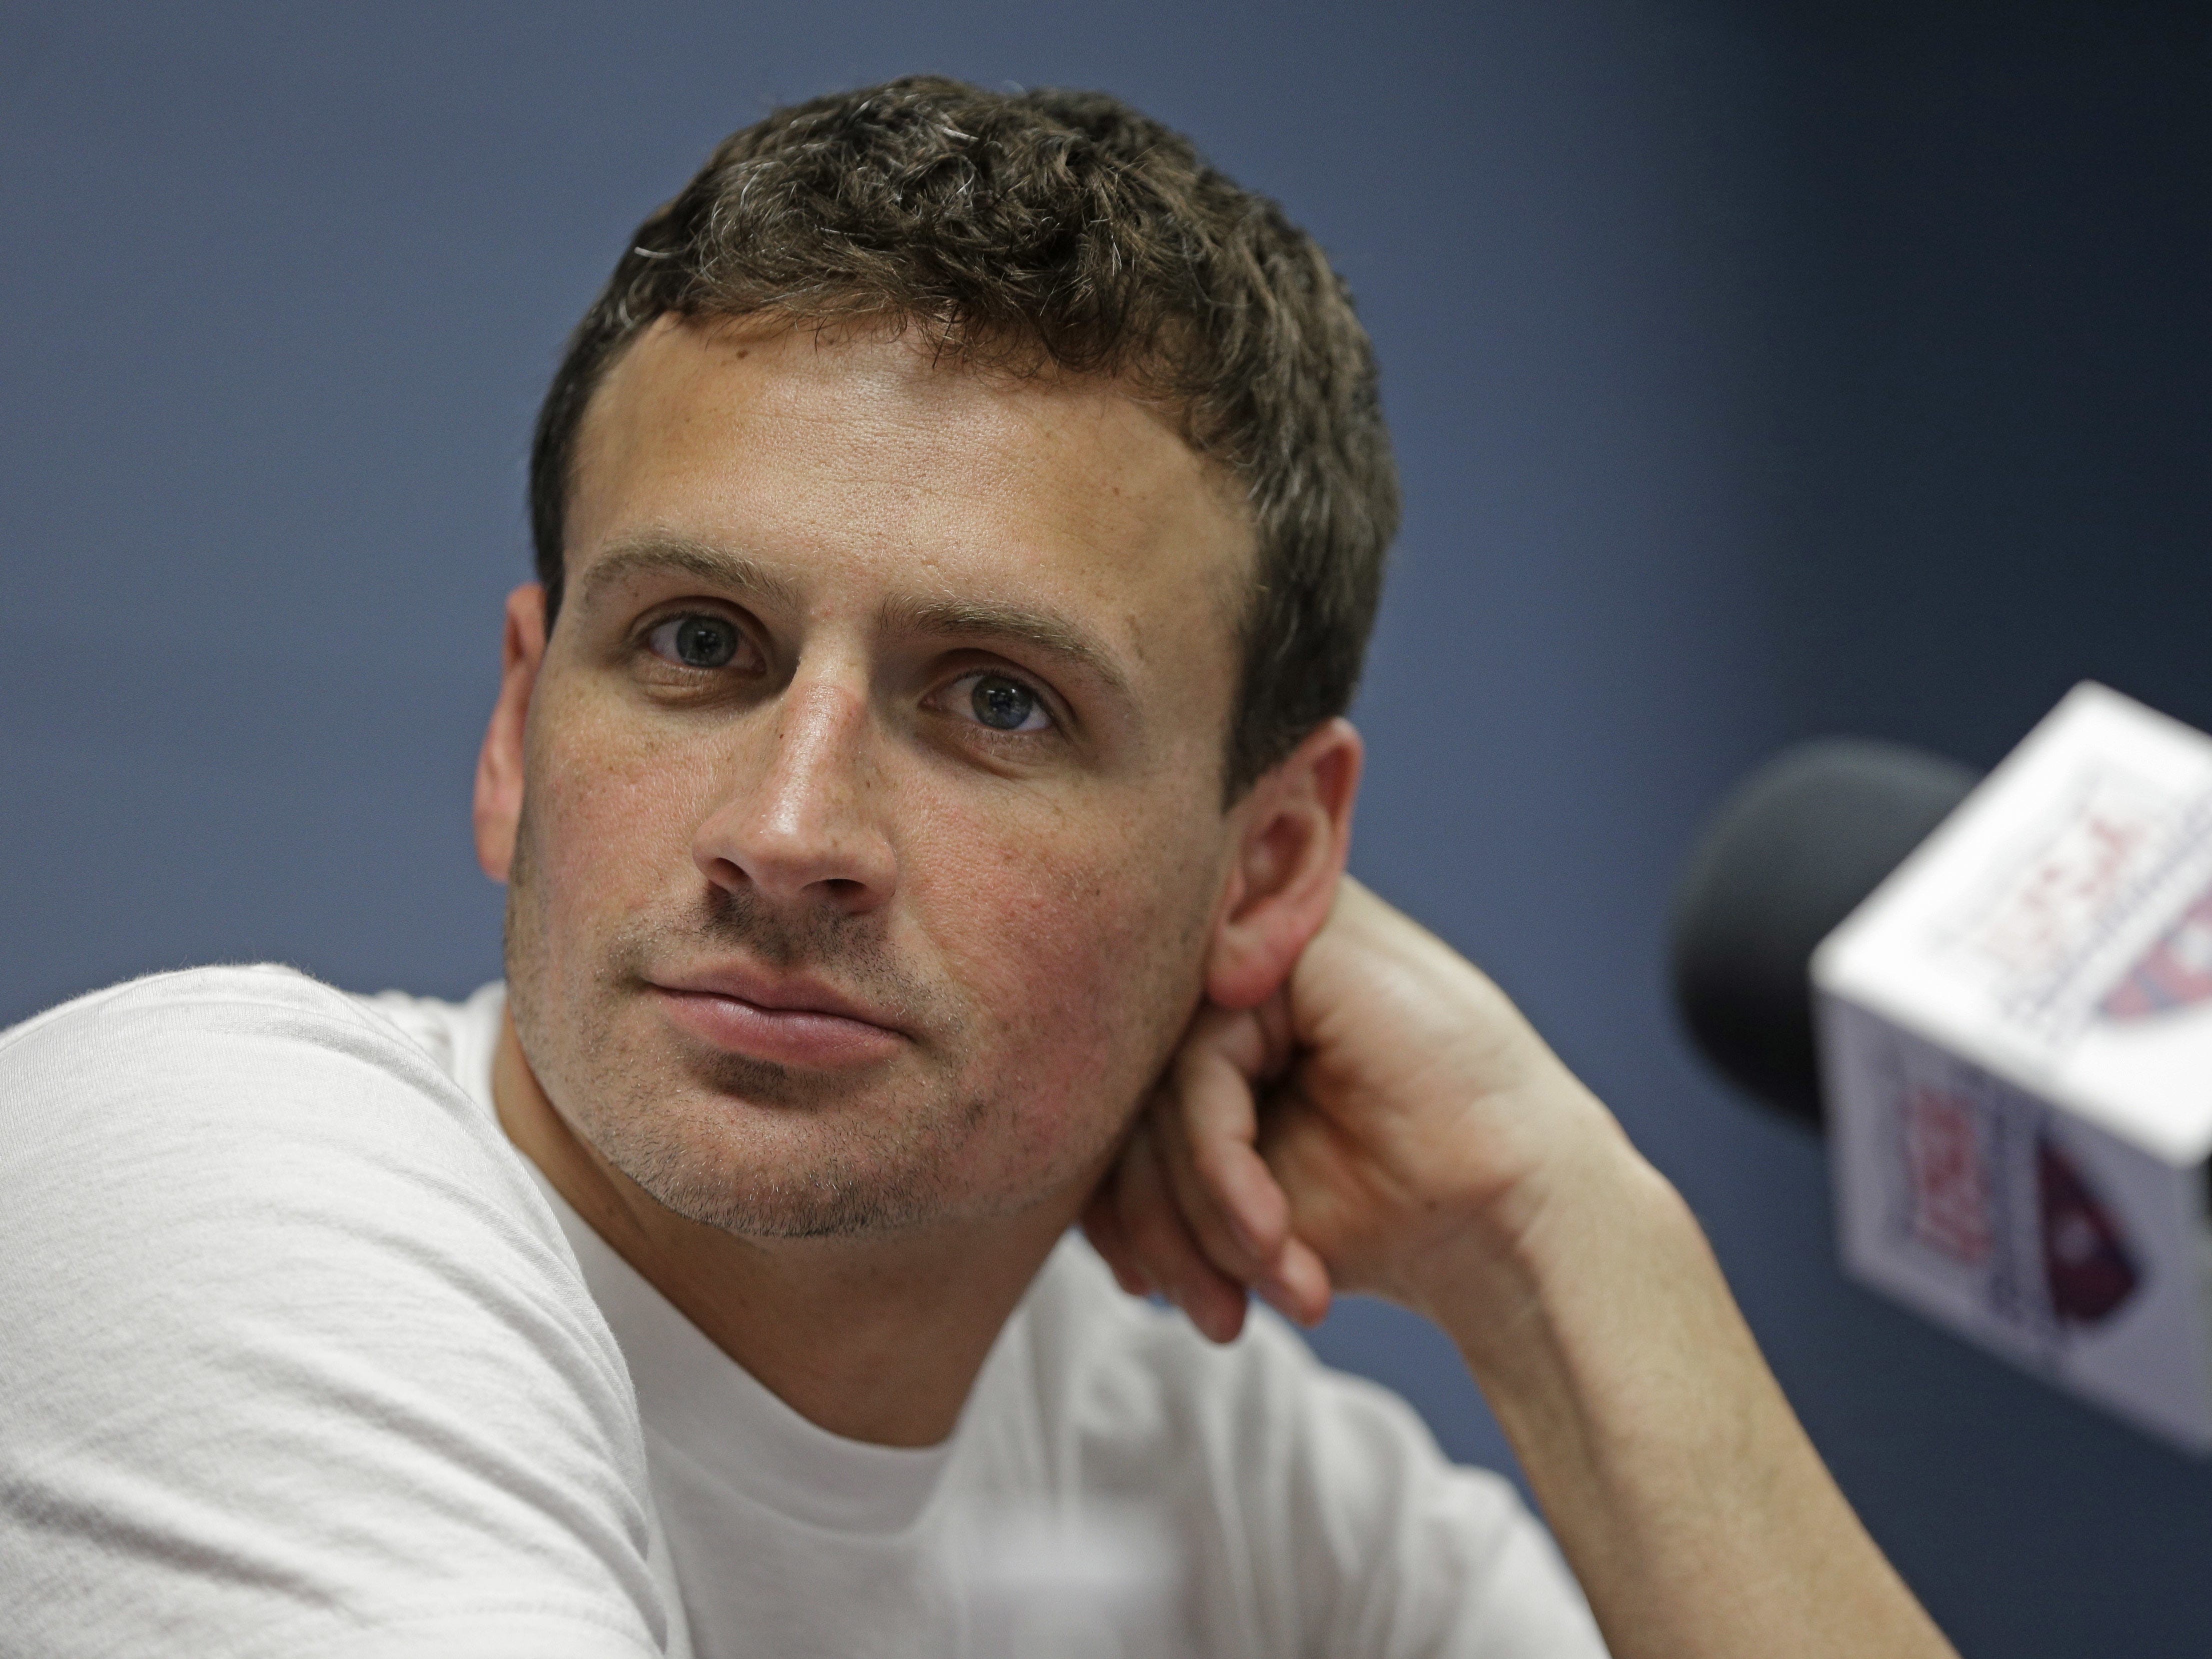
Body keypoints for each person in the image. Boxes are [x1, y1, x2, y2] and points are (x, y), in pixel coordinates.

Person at [0, 76, 1956, 1659]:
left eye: (995, 702)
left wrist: (1547, 1246)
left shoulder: (1205, 1479)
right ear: (519, 728)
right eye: (696, 644)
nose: (787, 832)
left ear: (1264, 868)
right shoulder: (198, 1182)